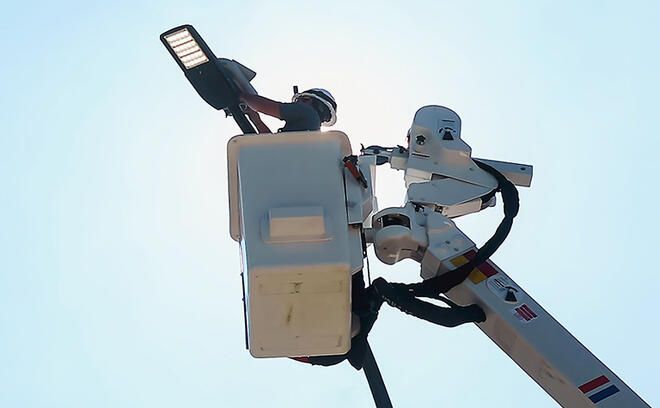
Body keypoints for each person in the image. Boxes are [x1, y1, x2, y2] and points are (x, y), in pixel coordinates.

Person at [239, 88, 337, 133]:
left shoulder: (307, 112)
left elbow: (264, 106)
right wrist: (257, 121)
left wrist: (242, 96)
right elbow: (270, 144)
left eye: (302, 100)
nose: (297, 103)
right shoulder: (313, 132)